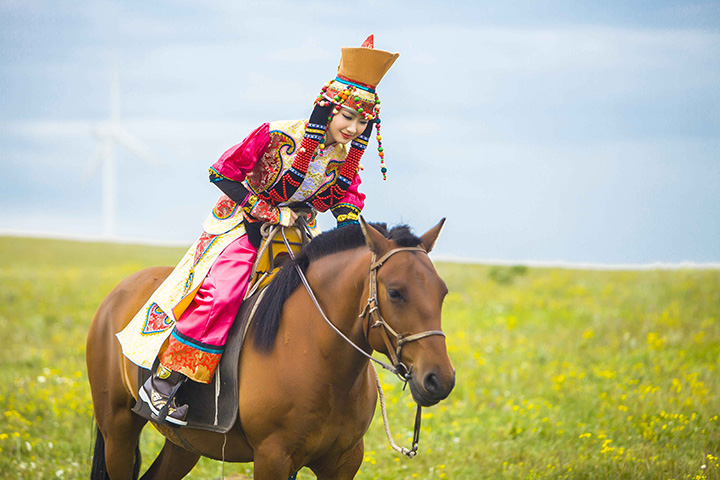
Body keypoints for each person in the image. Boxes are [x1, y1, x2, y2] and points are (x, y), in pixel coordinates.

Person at [115, 35, 399, 426]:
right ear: (327, 110)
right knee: (225, 290)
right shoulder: (277, 134)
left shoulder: (343, 160)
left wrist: (354, 241)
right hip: (239, 224)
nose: (352, 128)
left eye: (362, 121)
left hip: (296, 233)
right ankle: (166, 382)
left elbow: (347, 201)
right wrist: (263, 208)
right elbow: (222, 172)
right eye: (347, 117)